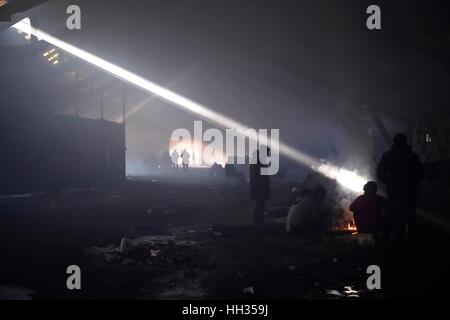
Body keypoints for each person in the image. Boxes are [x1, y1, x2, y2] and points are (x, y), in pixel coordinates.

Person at [377, 133, 424, 245]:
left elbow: (380, 173)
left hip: (394, 190)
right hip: (409, 191)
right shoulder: (412, 156)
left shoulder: (388, 156)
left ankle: (399, 241)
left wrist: (388, 182)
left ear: (394, 141)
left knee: (397, 217)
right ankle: (414, 242)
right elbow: (420, 174)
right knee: (411, 216)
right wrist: (413, 185)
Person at [249, 148, 271, 225]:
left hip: (258, 187)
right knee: (259, 206)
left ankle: (258, 223)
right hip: (260, 188)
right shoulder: (260, 162)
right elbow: (262, 177)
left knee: (259, 205)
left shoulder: (256, 161)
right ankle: (258, 223)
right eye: (268, 153)